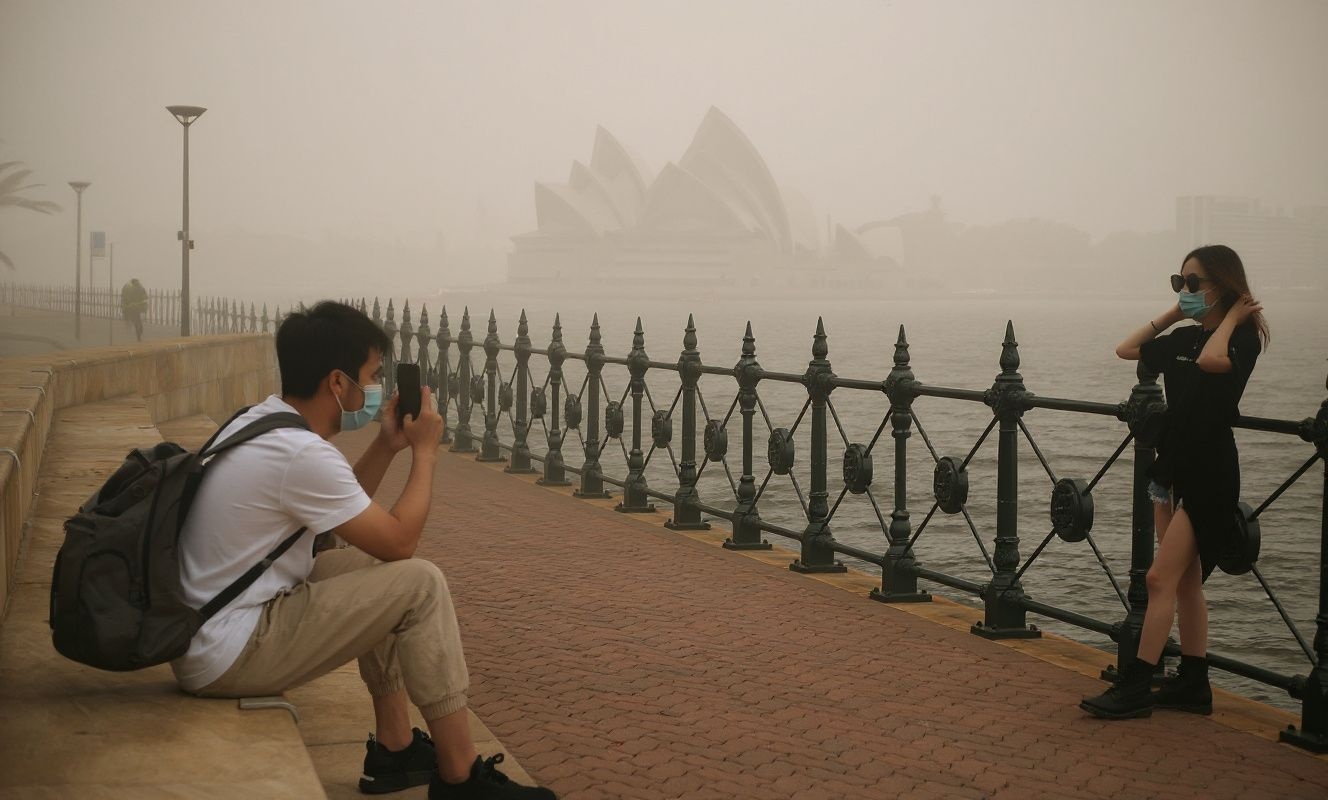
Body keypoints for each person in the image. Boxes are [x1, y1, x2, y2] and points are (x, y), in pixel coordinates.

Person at [171, 301, 555, 799]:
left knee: (375, 564)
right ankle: (460, 776)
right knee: (420, 583)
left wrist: (387, 446)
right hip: (229, 651)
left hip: (211, 632)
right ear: (337, 382)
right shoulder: (302, 453)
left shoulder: (265, 423)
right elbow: (401, 539)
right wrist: (424, 452)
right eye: (372, 375)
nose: (375, 389)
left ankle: (395, 750)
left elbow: (337, 533)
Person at [1081, 244, 1268, 720]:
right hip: (1172, 470)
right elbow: (1126, 350)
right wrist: (1173, 311)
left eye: (1192, 283)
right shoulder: (1182, 337)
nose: (1184, 291)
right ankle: (1195, 682)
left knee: (1158, 578)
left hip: (1209, 472)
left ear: (1221, 286)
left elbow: (1211, 361)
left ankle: (1138, 686)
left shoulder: (1240, 341)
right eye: (1177, 282)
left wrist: (1228, 317)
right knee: (1184, 584)